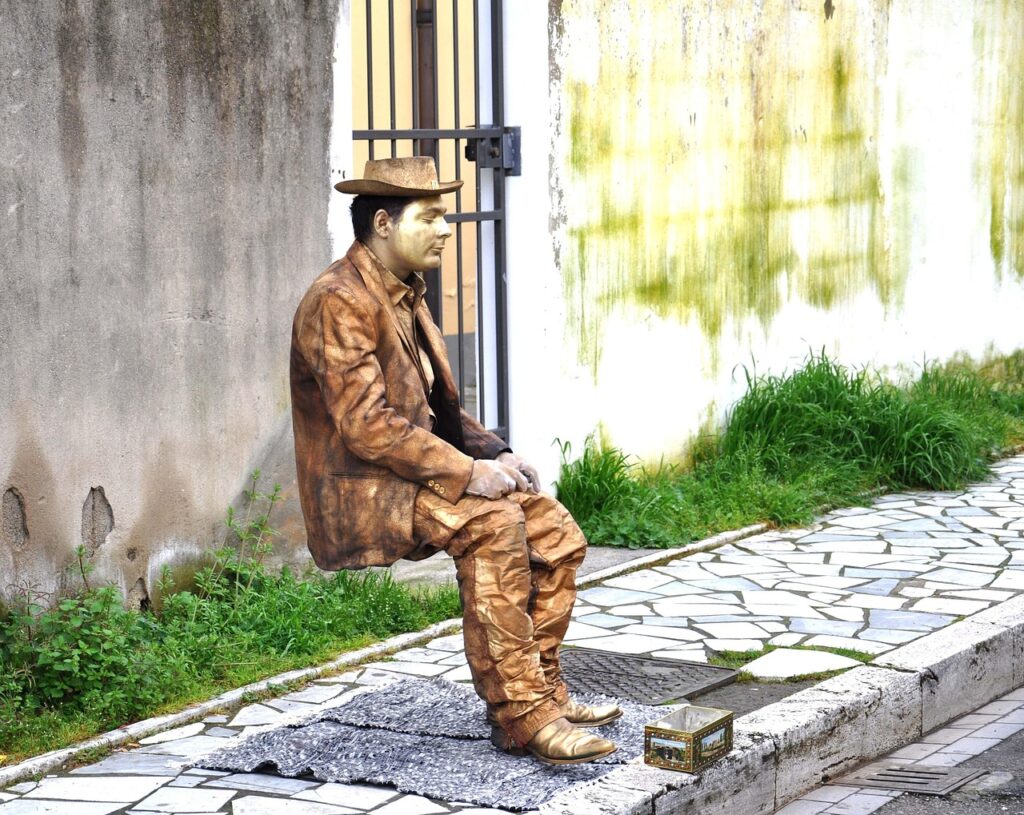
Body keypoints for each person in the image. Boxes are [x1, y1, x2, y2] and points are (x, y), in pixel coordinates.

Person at [289, 156, 620, 765]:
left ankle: (544, 692)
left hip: (412, 472)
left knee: (554, 531)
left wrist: (496, 453)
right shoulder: (338, 300)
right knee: (492, 525)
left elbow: (434, 411)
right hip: (365, 487)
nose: (446, 230)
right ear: (383, 223)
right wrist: (470, 474)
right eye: (431, 217)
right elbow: (366, 425)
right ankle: (524, 716)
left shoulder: (405, 294)